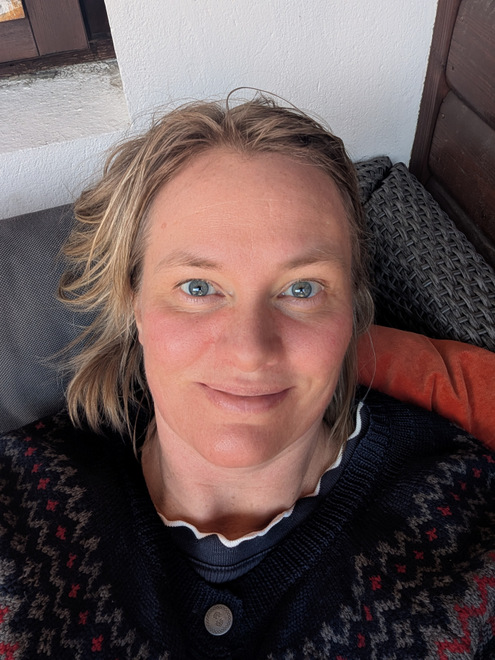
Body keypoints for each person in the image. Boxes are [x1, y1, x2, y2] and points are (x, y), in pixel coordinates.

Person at [0, 95, 493, 660]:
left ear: (352, 312)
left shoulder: (469, 523)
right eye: (198, 288)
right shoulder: (17, 507)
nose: (250, 353)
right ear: (133, 303)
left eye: (302, 289)